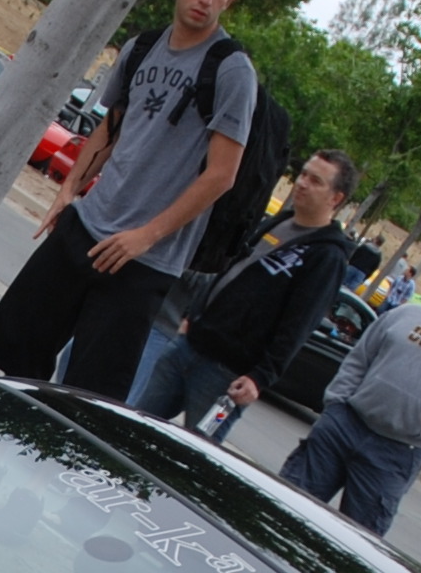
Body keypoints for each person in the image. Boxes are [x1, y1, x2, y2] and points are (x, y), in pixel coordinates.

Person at [0, 0, 255, 404]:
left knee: (87, 398)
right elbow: (112, 126)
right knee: (17, 352)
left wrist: (145, 236)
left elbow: (222, 175)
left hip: (142, 260)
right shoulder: (140, 49)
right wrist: (69, 190)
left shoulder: (232, 70)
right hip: (87, 225)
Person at [121, 149, 367, 430]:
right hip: (189, 346)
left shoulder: (327, 257)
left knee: (197, 446)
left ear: (336, 198)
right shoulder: (278, 222)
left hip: (226, 375)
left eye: (315, 181)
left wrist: (260, 377)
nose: (302, 183)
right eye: (303, 174)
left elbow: (299, 324)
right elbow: (230, 272)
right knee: (134, 423)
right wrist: (193, 314)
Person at [271, 258, 421, 536]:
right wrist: (335, 407)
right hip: (343, 427)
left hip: (394, 454)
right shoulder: (405, 315)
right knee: (285, 505)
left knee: (356, 541)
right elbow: (360, 359)